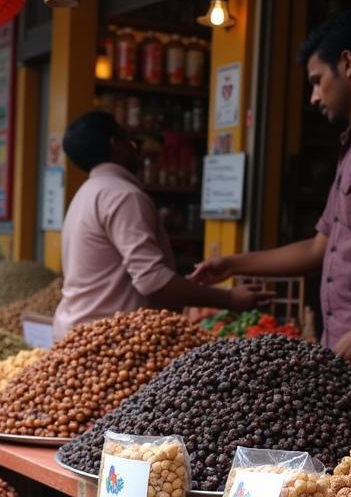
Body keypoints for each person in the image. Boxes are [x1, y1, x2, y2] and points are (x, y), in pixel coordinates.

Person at [192, 10, 351, 376]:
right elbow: (319, 248)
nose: (314, 97)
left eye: (317, 81)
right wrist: (232, 264)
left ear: (347, 64)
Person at [52, 111, 268, 339]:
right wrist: (230, 299)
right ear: (115, 144)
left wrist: (183, 287)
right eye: (129, 139)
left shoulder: (85, 194)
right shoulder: (123, 195)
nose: (135, 146)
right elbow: (152, 280)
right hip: (108, 342)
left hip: (76, 333)